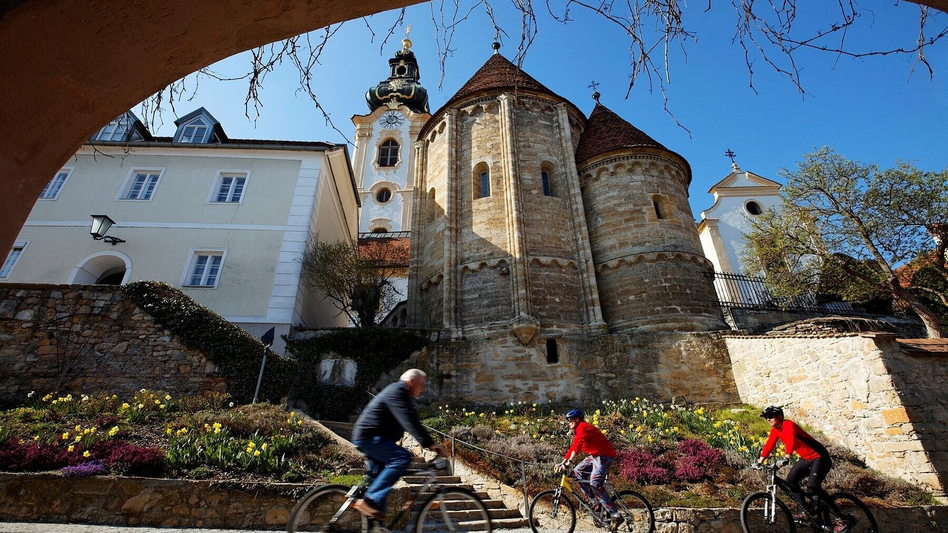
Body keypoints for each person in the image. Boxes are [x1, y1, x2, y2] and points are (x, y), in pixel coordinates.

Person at [351, 369, 448, 520]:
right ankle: (369, 500)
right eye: (421, 384)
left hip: (371, 437)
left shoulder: (401, 394)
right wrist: (430, 444)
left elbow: (412, 419)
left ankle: (376, 527)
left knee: (380, 484)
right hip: (369, 437)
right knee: (402, 457)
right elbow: (409, 421)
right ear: (412, 381)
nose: (423, 389)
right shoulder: (397, 392)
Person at [757, 406, 848, 532]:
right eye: (766, 418)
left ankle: (841, 518)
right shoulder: (775, 430)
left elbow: (791, 439)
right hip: (806, 458)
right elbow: (769, 444)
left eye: (771, 417)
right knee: (791, 481)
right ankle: (808, 510)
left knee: (813, 485)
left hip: (819, 457)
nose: (768, 419)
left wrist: (787, 456)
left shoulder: (788, 425)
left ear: (779, 417)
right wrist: (760, 461)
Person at [557, 409, 624, 529]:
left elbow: (578, 447)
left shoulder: (583, 427)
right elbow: (573, 447)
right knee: (578, 471)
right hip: (595, 456)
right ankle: (595, 503)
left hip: (604, 456)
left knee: (595, 483)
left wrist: (569, 462)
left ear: (577, 419)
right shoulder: (578, 430)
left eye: (570, 420)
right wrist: (563, 462)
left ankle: (616, 514)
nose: (568, 422)